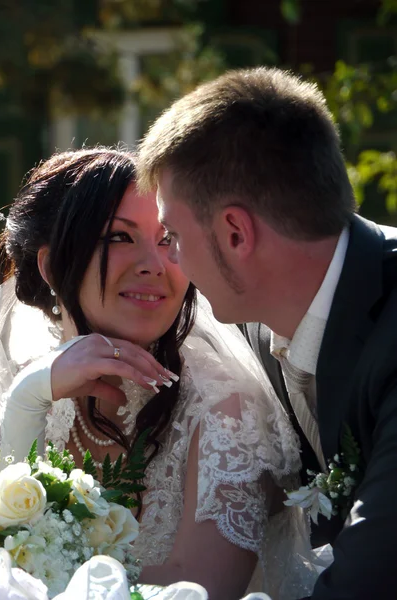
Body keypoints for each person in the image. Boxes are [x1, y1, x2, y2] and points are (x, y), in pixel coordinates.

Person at [0, 147, 324, 599]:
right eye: (120, 238)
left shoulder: (224, 404)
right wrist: (27, 399)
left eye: (168, 240)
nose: (153, 264)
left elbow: (204, 589)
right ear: (50, 266)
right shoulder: (15, 379)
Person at [136, 66, 397, 599]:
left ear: (235, 233)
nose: (169, 258)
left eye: (173, 235)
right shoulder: (255, 335)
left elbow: (373, 575)